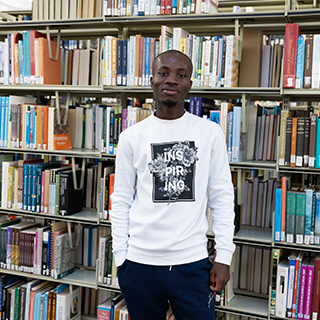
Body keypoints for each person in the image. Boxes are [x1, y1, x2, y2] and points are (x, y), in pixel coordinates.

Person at [110, 50, 235, 320]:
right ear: (152, 80)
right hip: (140, 264)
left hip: (192, 263)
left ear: (190, 84)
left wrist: (224, 256)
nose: (172, 80)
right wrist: (121, 258)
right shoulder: (132, 137)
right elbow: (119, 199)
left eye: (181, 75)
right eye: (164, 73)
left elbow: (223, 197)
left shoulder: (209, 133)